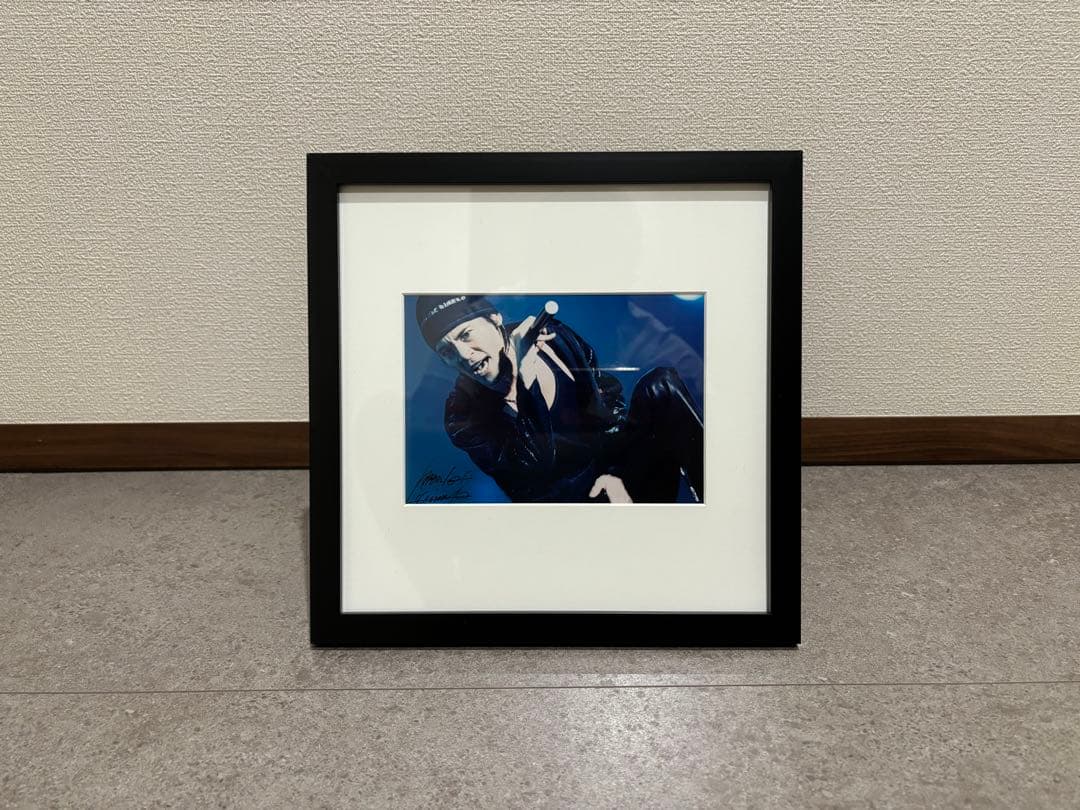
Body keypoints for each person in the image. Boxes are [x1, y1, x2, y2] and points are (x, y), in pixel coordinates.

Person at [414, 294, 704, 503]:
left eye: (466, 335)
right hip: (568, 508)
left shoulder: (552, 336)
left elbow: (605, 393)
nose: (463, 355)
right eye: (446, 351)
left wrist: (615, 472)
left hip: (615, 473)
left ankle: (715, 508)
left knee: (661, 385)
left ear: (494, 318)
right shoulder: (462, 415)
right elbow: (532, 468)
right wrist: (524, 377)